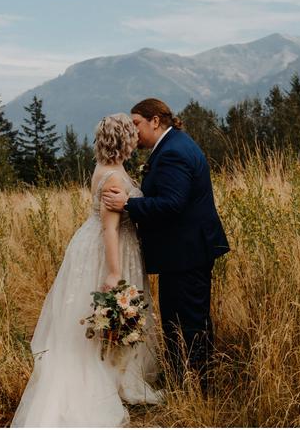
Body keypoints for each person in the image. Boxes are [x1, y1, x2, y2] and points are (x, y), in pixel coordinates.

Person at [11, 113, 162, 428]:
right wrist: (113, 273)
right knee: (106, 317)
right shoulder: (114, 178)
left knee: (95, 319)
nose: (136, 137)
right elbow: (110, 229)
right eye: (131, 134)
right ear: (124, 140)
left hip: (93, 244)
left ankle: (116, 372)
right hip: (110, 249)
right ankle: (106, 381)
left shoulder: (105, 168)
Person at [101, 98, 230, 391]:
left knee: (188, 324)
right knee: (182, 321)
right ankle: (186, 382)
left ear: (155, 121)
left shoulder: (173, 153)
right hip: (183, 252)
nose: (133, 133)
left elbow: (173, 204)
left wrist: (129, 204)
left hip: (187, 254)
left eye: (136, 124)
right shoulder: (172, 147)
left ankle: (194, 387)